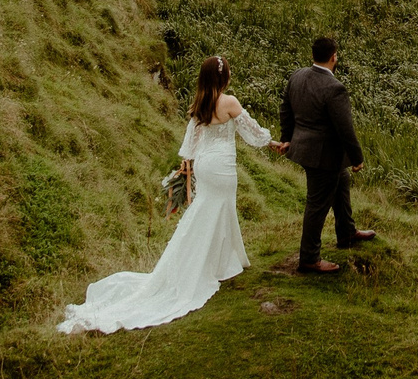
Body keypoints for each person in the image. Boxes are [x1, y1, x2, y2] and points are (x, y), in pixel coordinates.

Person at [56, 55, 277, 334]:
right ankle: (218, 264)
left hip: (205, 166)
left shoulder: (201, 104)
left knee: (206, 210)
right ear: (224, 77)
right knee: (219, 209)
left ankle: (219, 262)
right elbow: (252, 132)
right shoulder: (229, 102)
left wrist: (189, 167)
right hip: (222, 167)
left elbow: (189, 146)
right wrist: (273, 142)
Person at [278, 34, 374, 273]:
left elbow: (285, 108)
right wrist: (357, 158)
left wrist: (287, 138)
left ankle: (347, 233)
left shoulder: (297, 76)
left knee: (341, 181)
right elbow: (345, 127)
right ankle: (309, 258)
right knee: (317, 204)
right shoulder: (334, 88)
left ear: (314, 55)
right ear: (334, 57)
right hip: (323, 156)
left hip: (306, 150)